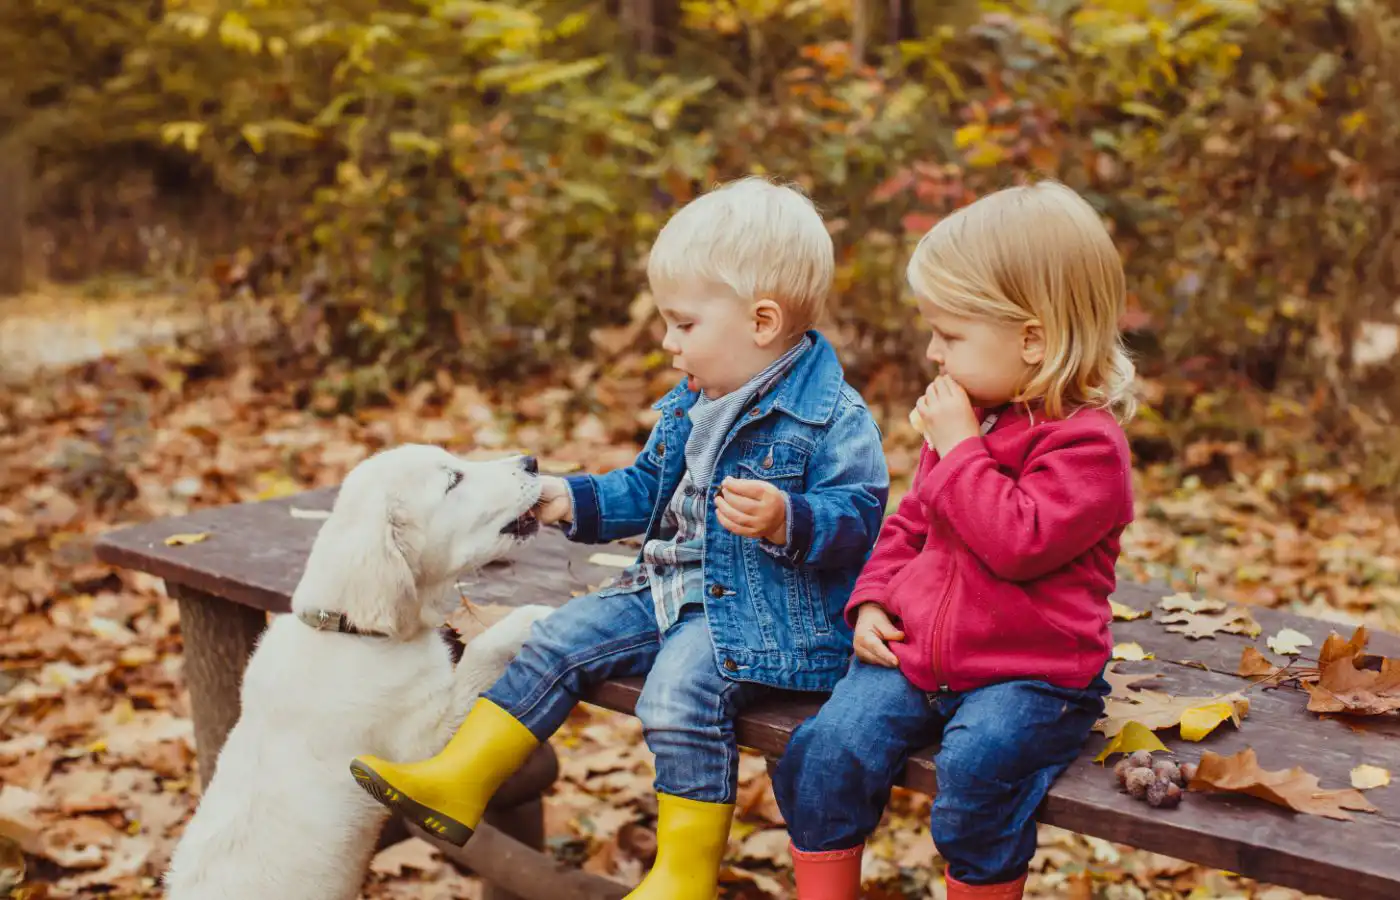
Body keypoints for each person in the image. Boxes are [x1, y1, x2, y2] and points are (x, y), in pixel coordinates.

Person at [773, 180, 1139, 900]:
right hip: (920, 655)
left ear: (1032, 338)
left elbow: (1019, 541)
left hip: (1032, 673)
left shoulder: (1090, 449)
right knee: (826, 751)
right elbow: (913, 523)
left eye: (952, 334)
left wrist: (962, 447)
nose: (934, 353)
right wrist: (874, 599)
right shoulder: (975, 420)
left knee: (978, 772)